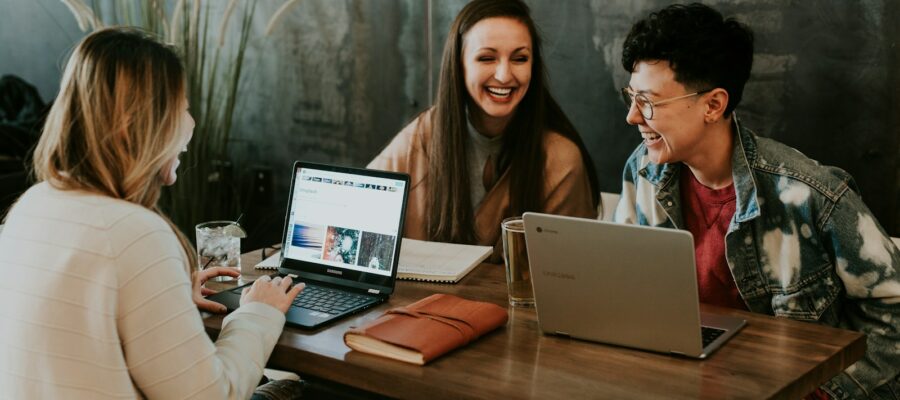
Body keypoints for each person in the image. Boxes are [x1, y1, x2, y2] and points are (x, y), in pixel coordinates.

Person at [0, 28, 305, 399]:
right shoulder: (134, 232)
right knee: (297, 389)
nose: (190, 125)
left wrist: (166, 295)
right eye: (182, 109)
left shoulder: (31, 206)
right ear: (138, 123)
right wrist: (257, 312)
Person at [614, 4, 899, 399]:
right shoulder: (643, 170)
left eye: (648, 102)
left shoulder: (809, 194)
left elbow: (893, 311)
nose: (632, 116)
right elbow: (625, 288)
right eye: (631, 96)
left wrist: (820, 391)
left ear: (713, 105)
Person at [369, 0, 600, 258]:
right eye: (487, 58)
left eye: (520, 58)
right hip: (424, 298)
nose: (504, 75)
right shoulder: (423, 134)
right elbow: (358, 212)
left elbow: (570, 271)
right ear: (459, 65)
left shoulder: (561, 159)